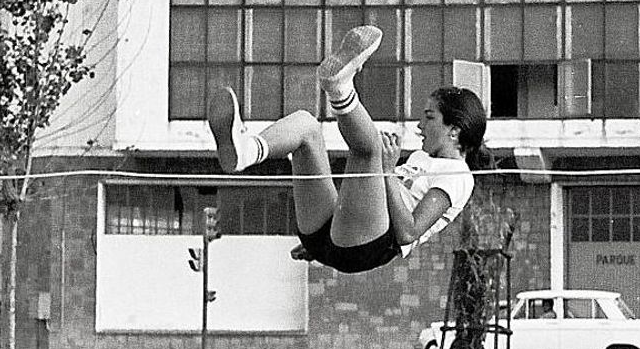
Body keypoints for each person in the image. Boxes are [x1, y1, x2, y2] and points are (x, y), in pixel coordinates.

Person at [208, 25, 490, 274]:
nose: (419, 125)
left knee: (370, 152)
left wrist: (388, 172)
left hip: (368, 247)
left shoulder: (458, 176)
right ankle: (247, 151)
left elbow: (408, 232)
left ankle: (340, 88)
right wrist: (323, 247)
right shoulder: (421, 158)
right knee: (307, 127)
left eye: (429, 118)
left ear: (455, 130)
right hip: (330, 236)